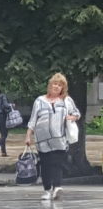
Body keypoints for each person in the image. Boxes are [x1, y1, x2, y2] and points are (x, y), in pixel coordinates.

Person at [25, 73, 80, 201]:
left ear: (63, 88)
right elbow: (33, 120)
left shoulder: (66, 100)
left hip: (59, 139)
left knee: (57, 163)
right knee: (45, 165)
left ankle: (57, 187)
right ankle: (47, 190)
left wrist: (72, 117)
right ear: (50, 85)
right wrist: (28, 135)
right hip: (42, 140)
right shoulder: (39, 101)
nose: (57, 87)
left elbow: (76, 113)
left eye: (60, 85)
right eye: (55, 84)